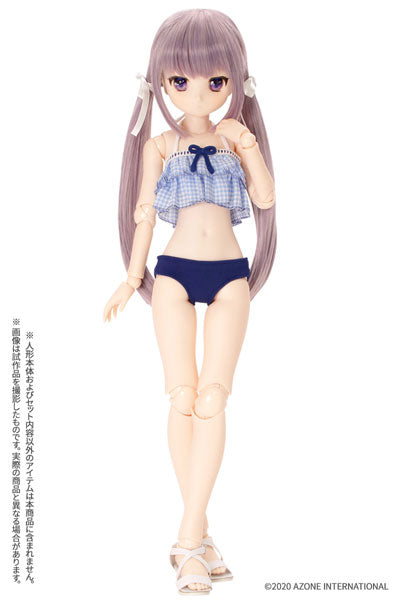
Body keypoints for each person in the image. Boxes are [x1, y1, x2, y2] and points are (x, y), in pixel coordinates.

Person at [103, 8, 277, 594]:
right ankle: (196, 541)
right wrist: (132, 277)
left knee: (212, 399)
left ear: (235, 80)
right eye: (180, 81)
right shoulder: (160, 144)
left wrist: (248, 143)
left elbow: (266, 198)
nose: (197, 93)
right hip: (173, 273)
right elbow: (145, 215)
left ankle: (188, 539)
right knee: (181, 397)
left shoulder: (233, 138)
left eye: (215, 80)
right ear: (160, 81)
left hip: (229, 274)